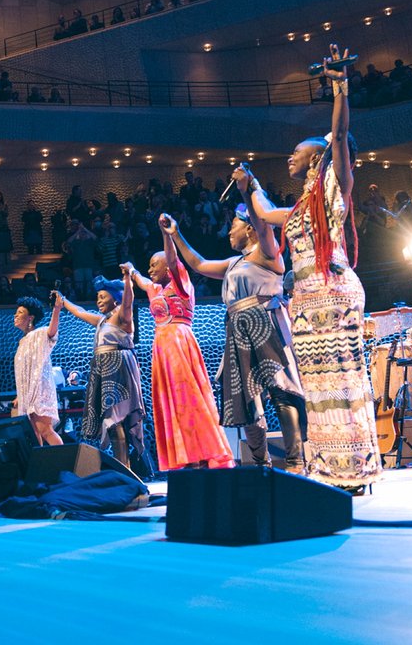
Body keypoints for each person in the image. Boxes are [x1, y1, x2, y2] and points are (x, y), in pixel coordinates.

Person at [246, 44, 382, 493]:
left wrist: (339, 87)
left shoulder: (332, 191)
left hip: (333, 290)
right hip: (305, 299)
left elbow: (340, 137)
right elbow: (263, 213)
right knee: (319, 389)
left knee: (342, 380)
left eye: (296, 152)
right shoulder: (302, 206)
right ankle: (332, 466)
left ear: (316, 158)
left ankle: (356, 467)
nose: (290, 157)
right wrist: (250, 186)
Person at [165, 168, 307, 471]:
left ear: (250, 230)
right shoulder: (233, 262)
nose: (229, 232)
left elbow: (263, 222)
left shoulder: (268, 254)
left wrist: (246, 191)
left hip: (265, 322)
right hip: (238, 328)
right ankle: (260, 463)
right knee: (246, 400)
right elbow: (198, 264)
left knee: (281, 389)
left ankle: (295, 461)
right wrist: (175, 233)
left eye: (234, 226)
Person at [123, 221, 233, 471]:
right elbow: (141, 280)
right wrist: (131, 270)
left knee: (189, 398)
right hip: (161, 348)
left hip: (179, 343)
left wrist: (166, 235)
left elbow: (173, 261)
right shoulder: (156, 290)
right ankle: (185, 455)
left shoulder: (181, 285)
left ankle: (205, 451)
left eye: (154, 264)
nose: (150, 269)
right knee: (171, 401)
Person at [54, 273, 150, 477]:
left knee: (117, 420)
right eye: (97, 297)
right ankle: (123, 470)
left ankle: (125, 472)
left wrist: (126, 279)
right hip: (103, 370)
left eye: (103, 297)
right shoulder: (102, 321)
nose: (98, 300)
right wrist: (63, 301)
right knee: (112, 421)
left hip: (118, 369)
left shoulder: (123, 317)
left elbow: (128, 301)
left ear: (115, 299)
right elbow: (80, 311)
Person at [11, 295, 64, 446]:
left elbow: (52, 332)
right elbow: (25, 373)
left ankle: (65, 463)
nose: (15, 315)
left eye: (20, 312)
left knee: (45, 429)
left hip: (40, 391)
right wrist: (20, 395)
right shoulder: (23, 341)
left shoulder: (39, 334)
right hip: (28, 394)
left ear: (30, 318)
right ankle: (42, 466)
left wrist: (57, 309)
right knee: (33, 434)